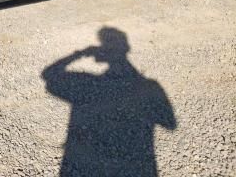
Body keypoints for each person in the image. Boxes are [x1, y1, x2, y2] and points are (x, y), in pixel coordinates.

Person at [42, 27, 176, 176]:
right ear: (126, 48)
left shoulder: (87, 83)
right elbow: (169, 123)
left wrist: (78, 54)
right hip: (140, 167)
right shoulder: (150, 86)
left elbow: (49, 77)